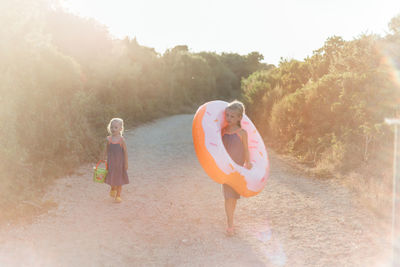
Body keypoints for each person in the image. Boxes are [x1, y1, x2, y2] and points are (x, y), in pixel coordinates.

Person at [222, 100, 252, 236]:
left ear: (240, 117)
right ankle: (230, 225)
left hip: (238, 170)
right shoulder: (222, 132)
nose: (229, 118)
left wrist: (248, 162)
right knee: (228, 197)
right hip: (226, 170)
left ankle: (231, 220)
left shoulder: (242, 133)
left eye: (232, 116)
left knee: (233, 197)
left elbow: (246, 150)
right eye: (227, 115)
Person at [101, 118, 129, 203]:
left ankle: (118, 196)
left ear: (120, 129)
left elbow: (125, 152)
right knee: (112, 177)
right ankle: (113, 188)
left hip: (120, 164)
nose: (113, 129)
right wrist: (102, 157)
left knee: (119, 179)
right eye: (112, 127)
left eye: (116, 127)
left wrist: (126, 163)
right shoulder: (109, 139)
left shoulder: (121, 140)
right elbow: (105, 149)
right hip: (111, 163)